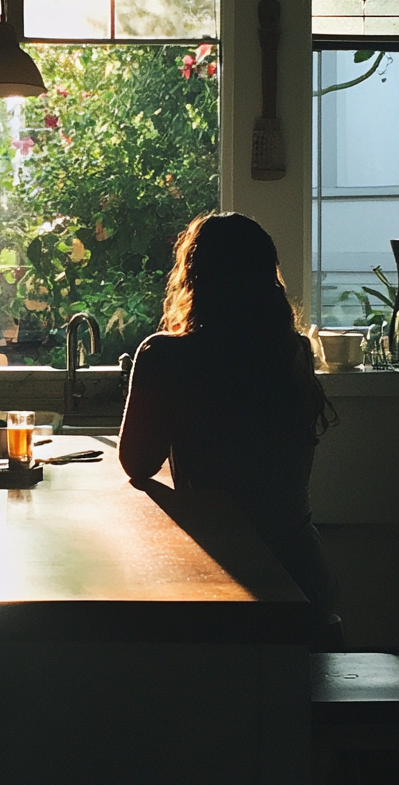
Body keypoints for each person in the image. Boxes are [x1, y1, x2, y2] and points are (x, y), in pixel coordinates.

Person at [118, 212, 337, 628]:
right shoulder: (292, 353)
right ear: (267, 277)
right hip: (304, 576)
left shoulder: (164, 355)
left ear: (193, 277)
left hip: (226, 578)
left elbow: (138, 464)